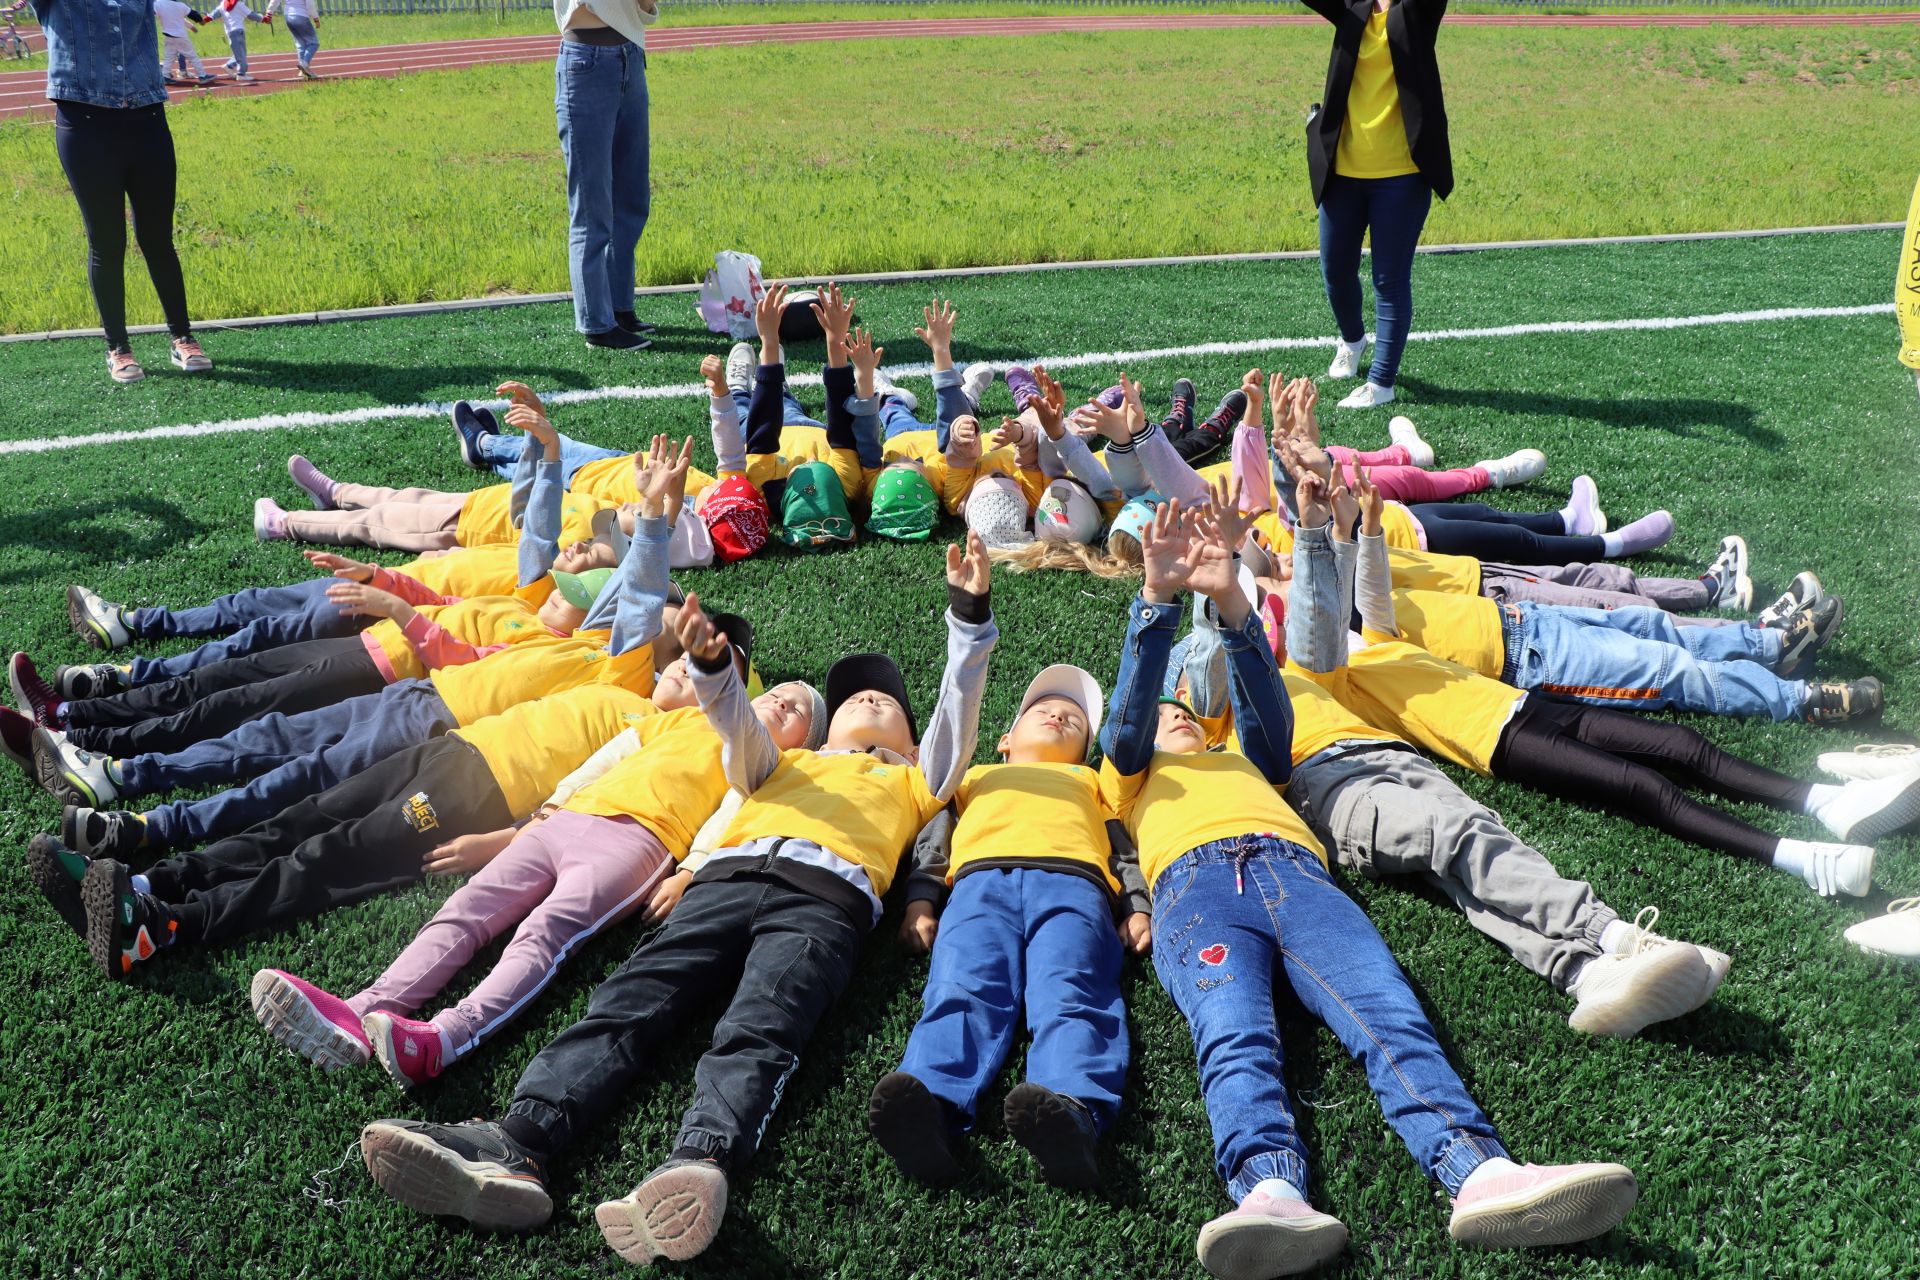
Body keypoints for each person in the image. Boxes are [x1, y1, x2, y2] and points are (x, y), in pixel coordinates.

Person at [357, 538, 997, 1267]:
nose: (872, 698)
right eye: (852, 697)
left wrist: (969, 620)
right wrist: (714, 667)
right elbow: (738, 732)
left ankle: (698, 1163)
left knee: (761, 1027)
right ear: (825, 729)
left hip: (823, 905)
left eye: (888, 702)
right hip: (722, 882)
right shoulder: (784, 764)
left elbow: (957, 721)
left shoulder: (918, 781)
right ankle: (521, 1140)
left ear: (914, 746)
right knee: (627, 1001)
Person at [1104, 498, 1636, 1277]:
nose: (1173, 715)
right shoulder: (1126, 778)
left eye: (1184, 709)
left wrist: (1228, 602)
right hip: (1196, 891)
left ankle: (1480, 1172)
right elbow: (1123, 720)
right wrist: (1153, 603)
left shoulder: (1247, 759)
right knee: (1235, 1038)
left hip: (1298, 874)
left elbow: (1271, 725)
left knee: (1388, 1013)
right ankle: (1268, 1194)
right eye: (1161, 711)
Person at [248, 627, 824, 1088]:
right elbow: (601, 764)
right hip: (569, 819)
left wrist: (690, 869)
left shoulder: (766, 764)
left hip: (639, 842)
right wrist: (545, 813)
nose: (779, 702)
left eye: (795, 708)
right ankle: (362, 1009)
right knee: (466, 909)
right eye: (775, 694)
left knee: (542, 937)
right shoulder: (672, 720)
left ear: (806, 741)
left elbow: (732, 815)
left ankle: (444, 1039)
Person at [869, 664, 1149, 1188]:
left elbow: (1124, 849)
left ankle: (1073, 1110)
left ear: (1088, 751)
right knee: (961, 986)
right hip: (976, 886)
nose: (1058, 714)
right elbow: (935, 840)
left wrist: (1137, 905)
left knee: (1073, 988)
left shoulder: (1091, 782)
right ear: (1004, 740)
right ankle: (928, 1103)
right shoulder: (974, 777)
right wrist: (921, 900)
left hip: (1077, 886)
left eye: (1074, 718)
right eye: (1042, 710)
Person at [31, 0, 211, 383]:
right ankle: (119, 348)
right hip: (85, 124)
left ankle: (183, 337)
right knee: (107, 241)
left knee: (158, 239)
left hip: (147, 121)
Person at [1300, 0, 1452, 410]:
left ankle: (1381, 383)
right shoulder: (1352, 6)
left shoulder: (1417, 11)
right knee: (1335, 270)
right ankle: (1353, 340)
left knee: (1390, 280)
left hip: (1401, 175)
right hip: (1342, 172)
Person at [551, 0, 659, 349]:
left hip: (630, 55)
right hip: (586, 60)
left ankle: (618, 307)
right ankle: (597, 324)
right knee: (592, 208)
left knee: (632, 200)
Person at [153, 0, 214, 86]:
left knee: (169, 57)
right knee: (192, 56)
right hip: (181, 36)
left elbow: (150, 13)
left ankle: (165, 76)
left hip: (168, 35)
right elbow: (194, 14)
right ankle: (202, 75)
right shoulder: (181, 6)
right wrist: (201, 21)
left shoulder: (158, 3)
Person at [218, 0, 269, 84]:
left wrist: (205, 19)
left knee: (240, 52)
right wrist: (263, 19)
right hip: (238, 31)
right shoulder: (239, 4)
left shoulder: (223, 3)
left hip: (230, 31)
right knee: (241, 53)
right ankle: (241, 74)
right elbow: (251, 15)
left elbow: (215, 14)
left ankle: (229, 65)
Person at [265, 0, 318, 79]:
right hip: (301, 15)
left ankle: (302, 71)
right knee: (313, 43)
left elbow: (275, 1)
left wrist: (269, 13)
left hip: (288, 16)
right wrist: (316, 18)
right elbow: (310, 4)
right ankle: (304, 64)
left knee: (300, 43)